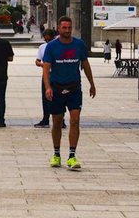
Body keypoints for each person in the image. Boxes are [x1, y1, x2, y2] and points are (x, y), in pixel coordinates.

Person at [42, 16, 97, 170]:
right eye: (64, 28)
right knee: (57, 122)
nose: (67, 31)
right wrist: (47, 87)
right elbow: (46, 68)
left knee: (75, 119)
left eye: (69, 28)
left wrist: (92, 84)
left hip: (74, 88)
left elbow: (85, 64)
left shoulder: (79, 45)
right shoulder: (52, 47)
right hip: (57, 89)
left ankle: (72, 155)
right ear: (58, 28)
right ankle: (56, 153)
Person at [34, 28, 57, 128]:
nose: (47, 42)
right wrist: (43, 65)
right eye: (46, 40)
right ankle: (45, 119)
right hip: (46, 74)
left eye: (49, 40)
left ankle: (60, 119)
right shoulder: (42, 47)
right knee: (45, 97)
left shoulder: (58, 46)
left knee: (57, 97)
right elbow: (37, 61)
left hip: (57, 74)